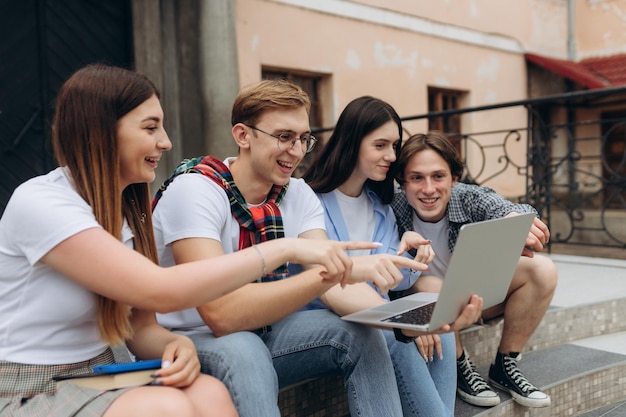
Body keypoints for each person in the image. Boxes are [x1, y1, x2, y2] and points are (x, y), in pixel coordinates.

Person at [0, 64, 374, 417]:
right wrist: (283, 248)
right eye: (150, 128)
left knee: (210, 394)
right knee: (170, 408)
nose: (166, 142)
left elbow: (141, 326)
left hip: (100, 373)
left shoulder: (129, 211)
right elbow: (161, 290)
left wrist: (172, 345)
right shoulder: (42, 204)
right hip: (28, 385)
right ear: (99, 131)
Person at [151, 80, 482, 417]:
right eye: (284, 137)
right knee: (244, 348)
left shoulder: (297, 194)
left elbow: (333, 288)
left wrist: (406, 323)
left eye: (303, 139)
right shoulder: (196, 190)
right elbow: (222, 315)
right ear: (243, 136)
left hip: (269, 328)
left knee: (363, 333)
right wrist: (341, 272)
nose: (295, 151)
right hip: (191, 338)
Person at [302, 96, 473, 417]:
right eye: (380, 145)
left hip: (374, 316)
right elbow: (332, 285)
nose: (391, 156)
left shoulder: (379, 207)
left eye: (394, 146)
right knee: (399, 337)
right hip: (327, 318)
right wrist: (405, 325)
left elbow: (394, 279)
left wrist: (409, 252)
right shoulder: (311, 201)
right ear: (352, 143)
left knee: (438, 326)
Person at [392, 132, 558, 408]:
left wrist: (515, 219)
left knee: (542, 269)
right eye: (417, 178)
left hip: (474, 298)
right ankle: (458, 364)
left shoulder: (466, 197)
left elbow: (505, 207)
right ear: (403, 182)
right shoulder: (393, 209)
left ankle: (505, 365)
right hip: (429, 302)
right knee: (432, 285)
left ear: (454, 179)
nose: (429, 188)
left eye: (438, 176)